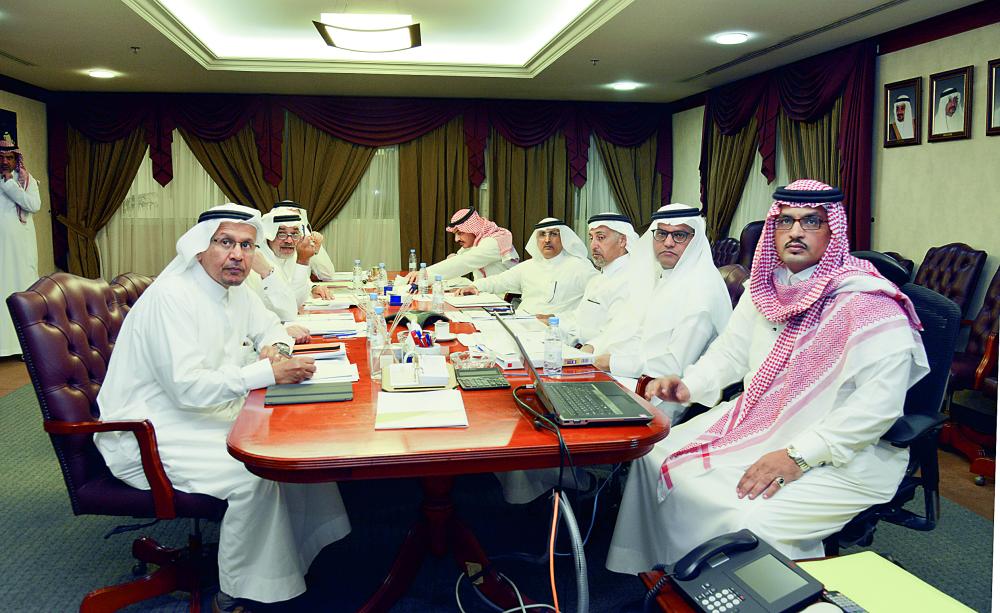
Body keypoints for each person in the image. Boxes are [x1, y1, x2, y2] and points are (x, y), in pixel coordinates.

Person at [605, 180, 928, 574]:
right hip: (757, 417)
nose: (795, 231)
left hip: (840, 447)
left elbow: (877, 408)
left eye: (811, 221)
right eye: (785, 221)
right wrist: (690, 384)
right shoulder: (766, 288)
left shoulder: (869, 304)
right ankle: (661, 577)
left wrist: (798, 456)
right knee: (653, 454)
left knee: (750, 519)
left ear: (833, 231)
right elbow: (730, 352)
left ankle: (752, 594)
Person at [94, 203, 351, 612]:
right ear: (200, 248)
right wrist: (268, 371)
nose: (237, 255)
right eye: (225, 242)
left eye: (247, 245)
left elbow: (273, 326)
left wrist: (276, 348)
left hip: (206, 413)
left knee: (292, 445)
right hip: (150, 430)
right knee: (257, 471)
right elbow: (188, 389)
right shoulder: (172, 296)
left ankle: (296, 561)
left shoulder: (234, 290)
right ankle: (237, 593)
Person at [592, 204, 732, 422]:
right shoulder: (664, 276)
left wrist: (612, 363)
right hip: (634, 378)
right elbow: (636, 330)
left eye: (679, 235)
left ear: (695, 239)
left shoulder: (702, 289)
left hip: (666, 397)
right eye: (662, 234)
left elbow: (674, 365)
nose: (668, 242)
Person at [538, 212, 639, 354]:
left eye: (601, 238)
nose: (593, 245)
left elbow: (616, 334)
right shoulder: (599, 278)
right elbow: (580, 316)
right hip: (578, 350)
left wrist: (584, 349)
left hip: (603, 357)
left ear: (622, 241)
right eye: (591, 238)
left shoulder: (632, 280)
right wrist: (552, 320)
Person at [455, 217, 597, 316]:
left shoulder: (580, 266)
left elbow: (597, 304)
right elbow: (499, 280)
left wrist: (557, 319)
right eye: (542, 235)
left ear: (564, 238)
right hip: (522, 323)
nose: (547, 240)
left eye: (554, 234)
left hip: (557, 331)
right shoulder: (529, 266)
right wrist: (475, 286)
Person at [0, 134, 41, 357]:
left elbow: (33, 205)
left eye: (9, 157)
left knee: (20, 291)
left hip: (21, 252)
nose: (5, 161)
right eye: (1, 157)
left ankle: (21, 347)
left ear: (17, 159)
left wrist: (9, 185)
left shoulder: (26, 180)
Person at [404, 208, 519, 284]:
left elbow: (463, 262)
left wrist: (424, 273)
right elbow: (457, 259)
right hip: (486, 296)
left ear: (473, 229)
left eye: (460, 233)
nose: (456, 239)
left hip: (503, 299)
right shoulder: (477, 241)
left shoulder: (493, 242)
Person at [273, 200, 337, 281]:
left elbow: (328, 275)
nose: (289, 240)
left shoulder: (305, 240)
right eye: (282, 233)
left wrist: (316, 249)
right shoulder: (265, 244)